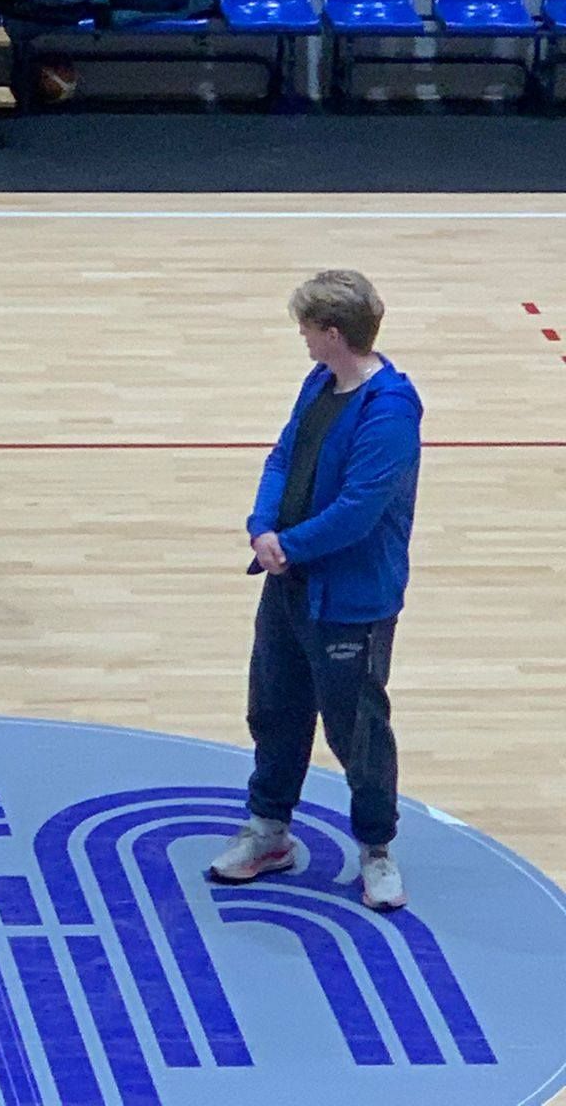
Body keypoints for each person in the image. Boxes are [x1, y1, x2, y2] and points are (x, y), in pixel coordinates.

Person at [208, 270, 421, 912]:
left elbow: (359, 510)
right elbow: (282, 457)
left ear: (332, 332)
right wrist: (262, 527)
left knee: (357, 731)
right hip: (289, 585)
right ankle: (268, 831)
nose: (300, 336)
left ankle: (377, 850)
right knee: (275, 710)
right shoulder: (320, 383)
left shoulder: (389, 411)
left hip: (349, 601)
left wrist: (289, 545)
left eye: (305, 326)